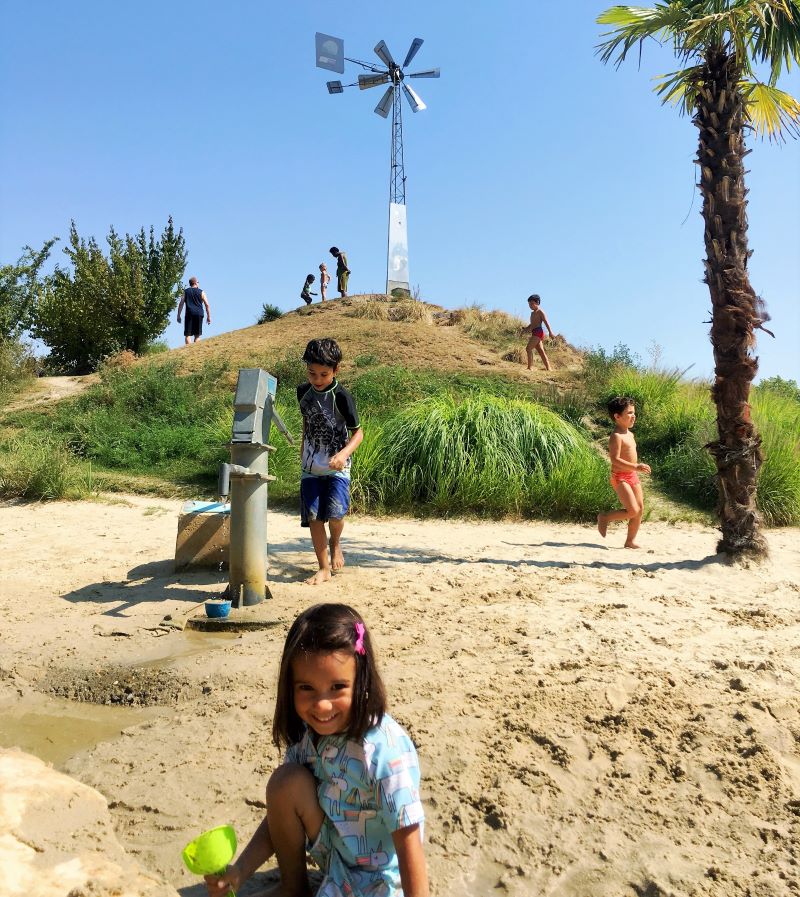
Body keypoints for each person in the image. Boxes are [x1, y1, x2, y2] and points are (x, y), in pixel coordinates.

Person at [204, 603, 429, 897]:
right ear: (290, 687)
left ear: (361, 681)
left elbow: (408, 839)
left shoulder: (382, 750)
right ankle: (293, 888)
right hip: (335, 855)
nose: (322, 705)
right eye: (307, 688)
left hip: (379, 880)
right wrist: (241, 871)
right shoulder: (309, 739)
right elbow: (279, 813)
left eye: (337, 687)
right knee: (285, 782)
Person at [297, 338, 363, 585]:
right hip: (310, 468)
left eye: (324, 374)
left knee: (335, 515)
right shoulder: (302, 392)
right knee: (315, 517)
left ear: (336, 370)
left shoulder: (342, 396)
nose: (317, 379)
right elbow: (307, 421)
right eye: (312, 373)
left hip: (338, 467)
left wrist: (344, 454)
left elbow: (358, 432)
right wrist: (304, 449)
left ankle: (336, 543)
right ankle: (323, 568)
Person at [597, 396, 652, 549]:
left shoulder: (630, 434)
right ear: (617, 416)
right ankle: (605, 517)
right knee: (632, 510)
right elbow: (614, 459)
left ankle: (630, 541)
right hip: (619, 477)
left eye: (634, 412)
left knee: (639, 510)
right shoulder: (616, 436)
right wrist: (636, 466)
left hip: (632, 476)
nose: (633, 416)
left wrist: (635, 470)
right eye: (629, 413)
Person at [521, 294, 554, 371]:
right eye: (529, 304)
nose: (530, 305)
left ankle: (529, 368)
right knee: (541, 351)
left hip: (538, 332)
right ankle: (549, 368)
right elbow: (532, 324)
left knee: (528, 348)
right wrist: (525, 329)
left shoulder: (540, 312)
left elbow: (546, 322)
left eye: (532, 304)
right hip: (534, 332)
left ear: (537, 303)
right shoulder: (532, 313)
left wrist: (550, 332)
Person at [176, 277, 211, 345]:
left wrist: (178, 315)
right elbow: (207, 304)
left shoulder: (186, 292)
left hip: (189, 314)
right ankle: (196, 350)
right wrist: (209, 317)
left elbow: (181, 304)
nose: (198, 283)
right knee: (197, 335)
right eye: (198, 282)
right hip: (199, 314)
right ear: (195, 283)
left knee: (188, 335)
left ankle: (188, 350)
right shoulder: (201, 292)